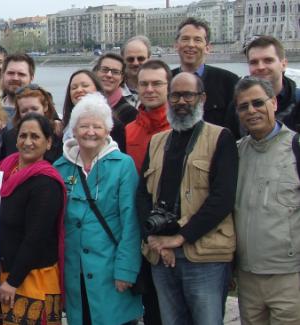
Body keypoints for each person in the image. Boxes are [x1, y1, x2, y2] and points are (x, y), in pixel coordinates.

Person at [137, 72, 237, 325]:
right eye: (175, 95)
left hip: (204, 256)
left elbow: (222, 199)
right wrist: (156, 240)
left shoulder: (220, 138)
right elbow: (142, 196)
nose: (181, 101)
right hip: (161, 255)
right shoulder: (157, 142)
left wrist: (180, 238)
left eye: (188, 95)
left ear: (201, 98)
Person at [54, 93, 142, 325]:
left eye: (97, 126)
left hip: (110, 268)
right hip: (74, 270)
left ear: (108, 130)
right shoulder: (61, 167)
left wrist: (126, 269)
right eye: (83, 126)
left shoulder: (123, 165)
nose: (90, 131)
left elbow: (131, 221)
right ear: (74, 130)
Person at [232, 76, 300, 324]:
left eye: (258, 103)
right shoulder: (236, 152)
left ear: (274, 103)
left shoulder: (296, 149)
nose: (252, 111)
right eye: (243, 106)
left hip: (289, 278)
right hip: (248, 278)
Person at [0, 113, 66, 325]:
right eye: (23, 135)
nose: (27, 142)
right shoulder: (4, 171)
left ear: (48, 143)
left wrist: (12, 281)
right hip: (4, 274)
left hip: (33, 278)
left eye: (35, 136)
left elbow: (35, 238)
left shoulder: (46, 183)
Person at [226, 35, 300, 137]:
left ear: (283, 64)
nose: (260, 67)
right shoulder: (236, 107)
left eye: (268, 60)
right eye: (254, 62)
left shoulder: (297, 102)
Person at [171, 17, 239, 127]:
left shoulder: (229, 81)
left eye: (197, 40)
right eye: (185, 39)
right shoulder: (165, 80)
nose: (191, 44)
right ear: (176, 45)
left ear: (207, 47)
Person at [61, 70, 126, 152]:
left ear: (97, 89)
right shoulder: (63, 126)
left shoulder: (114, 125)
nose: (79, 90)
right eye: (74, 88)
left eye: (85, 85)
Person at [125, 60, 172, 171]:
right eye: (144, 84)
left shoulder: (182, 128)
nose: (149, 90)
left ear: (169, 87)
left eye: (157, 84)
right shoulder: (128, 131)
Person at [0, 84, 62, 162]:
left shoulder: (57, 133)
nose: (30, 114)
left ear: (45, 107)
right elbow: (3, 164)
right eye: (24, 111)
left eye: (34, 109)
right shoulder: (9, 137)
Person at [93, 53, 138, 125]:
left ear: (122, 78)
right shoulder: (83, 104)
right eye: (104, 70)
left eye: (115, 72)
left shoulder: (130, 114)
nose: (109, 75)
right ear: (96, 72)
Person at [1, 54, 36, 125]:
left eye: (21, 74)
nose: (15, 78)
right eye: (10, 73)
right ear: (3, 75)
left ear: (31, 78)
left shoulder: (42, 112)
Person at [121, 35, 152, 106]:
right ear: (123, 59)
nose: (135, 63)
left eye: (141, 58)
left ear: (149, 58)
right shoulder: (112, 92)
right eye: (130, 59)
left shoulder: (162, 90)